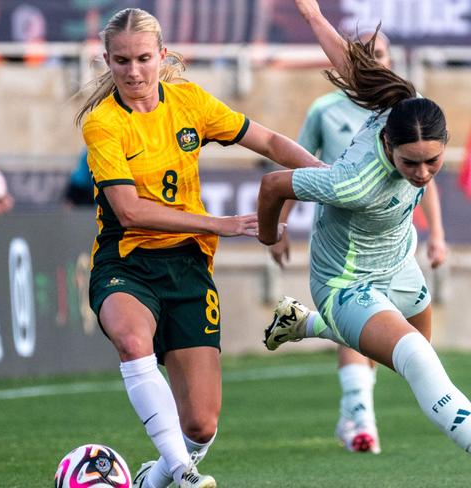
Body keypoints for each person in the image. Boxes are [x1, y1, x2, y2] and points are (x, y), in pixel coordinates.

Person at [257, 1, 471, 487]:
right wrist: (270, 233)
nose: (423, 173)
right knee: (417, 359)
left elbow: (353, 65)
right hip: (345, 283)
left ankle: (302, 323)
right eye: (411, 164)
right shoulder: (352, 183)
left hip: (401, 265)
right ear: (387, 145)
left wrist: (312, 17)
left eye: (433, 161)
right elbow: (273, 185)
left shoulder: (406, 107)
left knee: (417, 359)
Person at [76, 8, 323, 488]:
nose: (133, 72)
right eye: (121, 61)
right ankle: (186, 474)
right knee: (131, 340)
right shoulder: (103, 124)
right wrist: (219, 223)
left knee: (202, 424)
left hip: (188, 265)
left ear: (161, 56)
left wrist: (329, 177)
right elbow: (129, 211)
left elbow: (268, 140)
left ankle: (156, 478)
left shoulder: (188, 102)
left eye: (143, 59)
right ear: (106, 60)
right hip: (126, 260)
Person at [268, 29, 448, 454]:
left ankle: (308, 328)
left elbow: (425, 178)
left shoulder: (405, 112)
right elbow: (294, 165)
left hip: (391, 242)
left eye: (382, 55)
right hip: (343, 241)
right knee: (360, 317)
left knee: (409, 346)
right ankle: (362, 421)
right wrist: (279, 228)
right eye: (368, 57)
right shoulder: (324, 111)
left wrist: (437, 235)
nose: (377, 63)